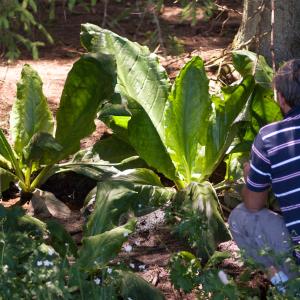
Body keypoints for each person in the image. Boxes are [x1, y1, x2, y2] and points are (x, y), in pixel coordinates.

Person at [229, 59, 300, 291]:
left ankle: (286, 287)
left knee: (239, 217)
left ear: (280, 97)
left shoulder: (270, 137)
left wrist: (251, 177)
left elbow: (253, 204)